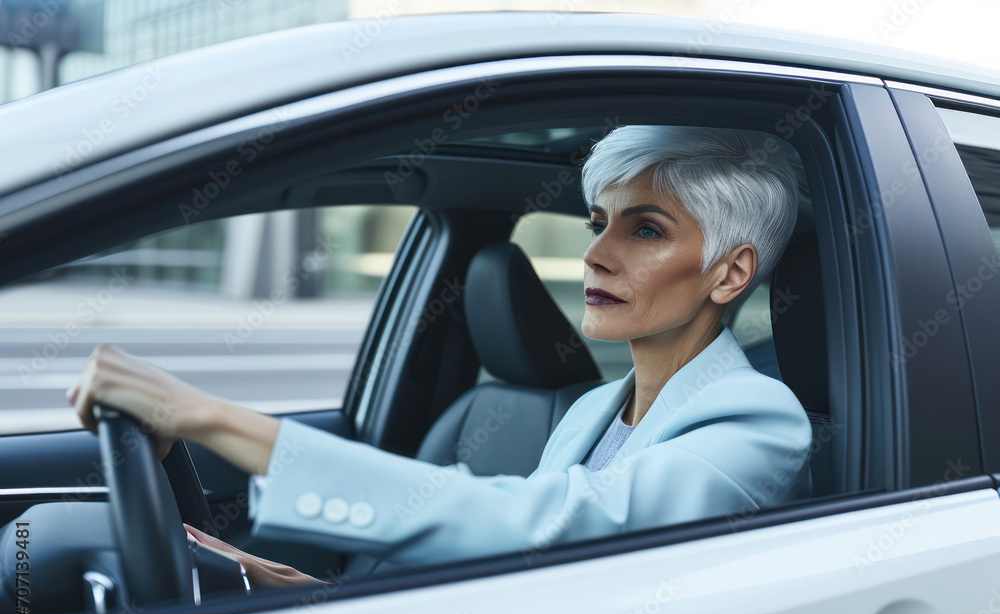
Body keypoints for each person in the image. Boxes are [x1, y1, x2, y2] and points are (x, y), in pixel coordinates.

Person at [66, 125, 813, 588]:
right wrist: (310, 594)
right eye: (596, 223)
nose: (594, 254)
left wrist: (206, 416)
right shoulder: (591, 409)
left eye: (644, 231)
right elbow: (518, 582)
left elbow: (540, 528)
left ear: (730, 273)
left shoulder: (758, 420)